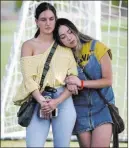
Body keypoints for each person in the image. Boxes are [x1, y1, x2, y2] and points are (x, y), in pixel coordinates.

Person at [13, 3, 78, 147]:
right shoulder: (28, 45)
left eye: (51, 19)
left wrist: (57, 101)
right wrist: (42, 101)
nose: (48, 23)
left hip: (63, 101)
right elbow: (28, 79)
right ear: (36, 22)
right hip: (37, 99)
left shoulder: (64, 45)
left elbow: (73, 76)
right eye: (43, 19)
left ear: (55, 19)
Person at [53, 18, 115, 147]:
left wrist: (80, 83)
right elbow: (58, 78)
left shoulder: (97, 47)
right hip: (80, 111)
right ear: (60, 41)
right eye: (63, 37)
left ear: (74, 29)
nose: (69, 38)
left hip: (102, 107)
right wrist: (67, 82)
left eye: (70, 32)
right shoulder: (63, 57)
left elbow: (108, 81)